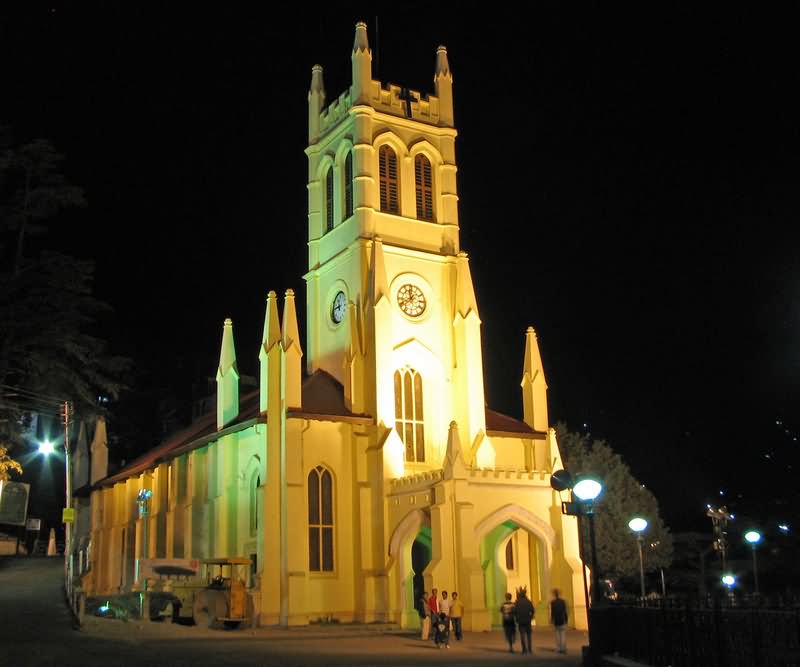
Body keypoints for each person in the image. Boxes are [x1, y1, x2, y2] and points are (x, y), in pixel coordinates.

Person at [514, 588, 535, 655]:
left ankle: (524, 650)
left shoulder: (517, 602)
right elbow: (532, 611)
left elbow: (515, 612)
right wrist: (531, 617)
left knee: (522, 635)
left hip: (520, 621)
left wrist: (517, 618)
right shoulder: (529, 602)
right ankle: (530, 649)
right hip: (528, 620)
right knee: (529, 635)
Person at [550, 588, 568, 654]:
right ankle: (563, 648)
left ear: (554, 595)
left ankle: (558, 648)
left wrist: (552, 619)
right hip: (562, 619)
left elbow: (552, 612)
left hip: (556, 620)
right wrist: (566, 619)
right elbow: (565, 611)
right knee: (563, 634)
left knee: (557, 634)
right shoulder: (563, 601)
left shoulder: (553, 602)